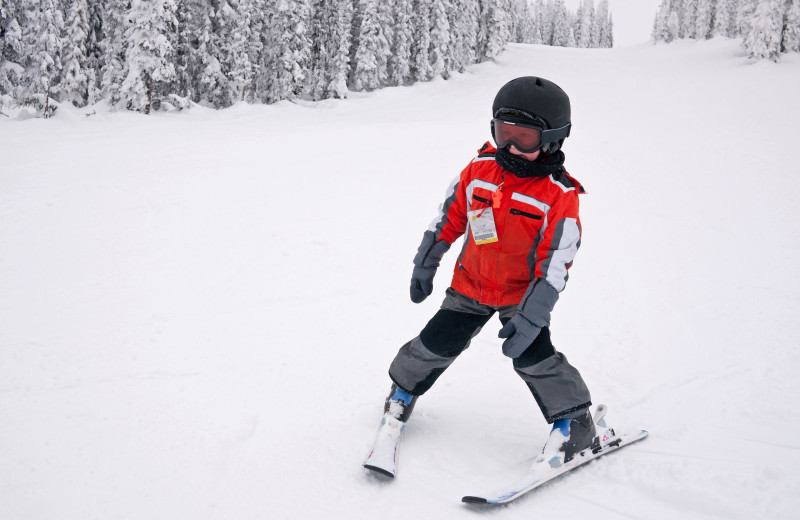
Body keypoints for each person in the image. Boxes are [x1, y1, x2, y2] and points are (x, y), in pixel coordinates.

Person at [380, 76, 596, 464]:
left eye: (524, 138)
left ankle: (575, 423)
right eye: (503, 133)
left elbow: (554, 266)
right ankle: (401, 393)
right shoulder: (479, 169)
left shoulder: (559, 196)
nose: (510, 146)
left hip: (520, 296)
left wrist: (531, 316)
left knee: (534, 357)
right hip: (470, 286)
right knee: (433, 344)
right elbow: (448, 217)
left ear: (552, 139)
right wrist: (426, 261)